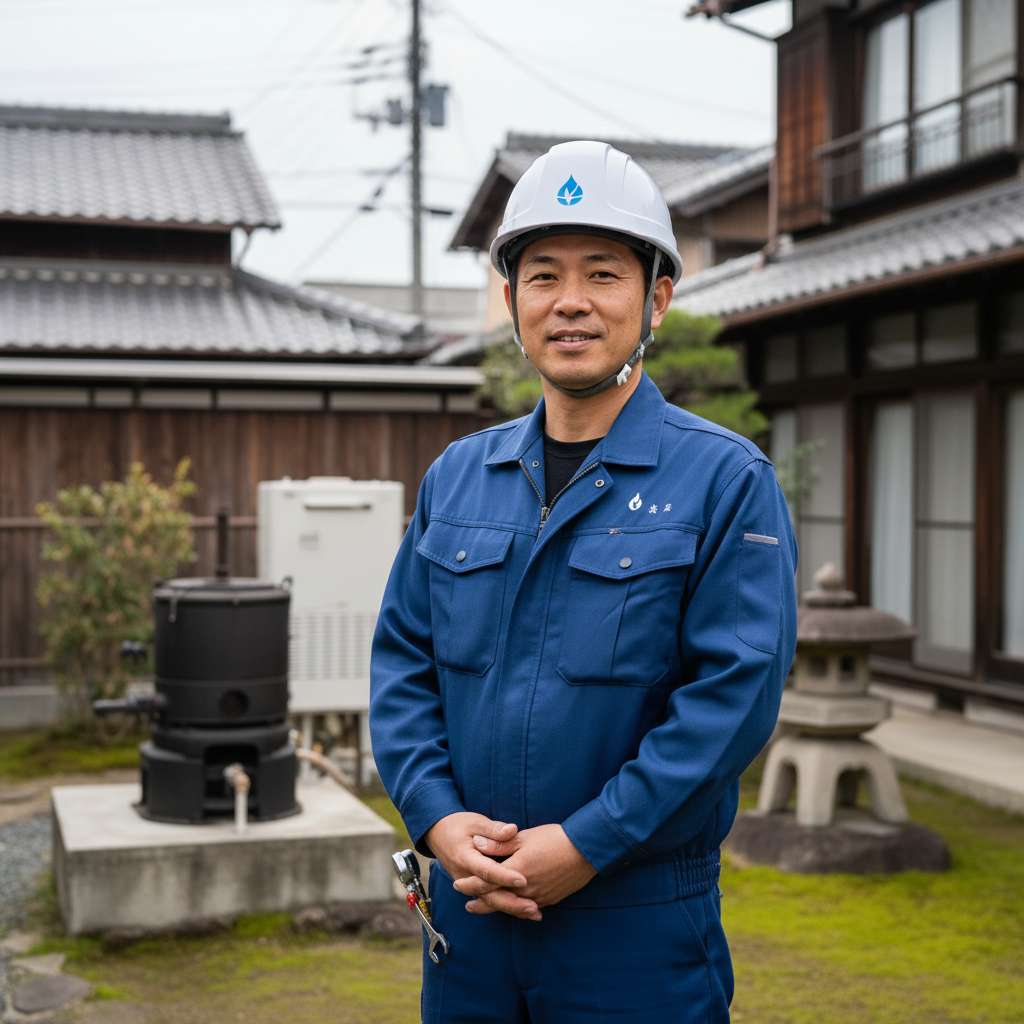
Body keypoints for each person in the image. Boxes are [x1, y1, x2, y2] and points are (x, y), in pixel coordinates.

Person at [370, 140, 797, 1023]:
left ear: (657, 299)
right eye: (542, 276)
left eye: (603, 273)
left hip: (634, 923)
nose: (570, 301)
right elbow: (403, 665)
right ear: (512, 301)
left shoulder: (724, 480)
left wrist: (590, 843)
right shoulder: (459, 477)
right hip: (470, 918)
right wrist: (436, 818)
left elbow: (733, 700)